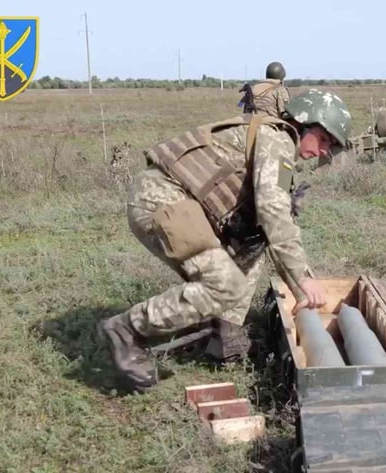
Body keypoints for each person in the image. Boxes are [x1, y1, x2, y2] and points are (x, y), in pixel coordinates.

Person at [99, 89, 352, 392]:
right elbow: (274, 213)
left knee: (254, 241)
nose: (324, 151)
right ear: (303, 122)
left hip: (177, 203)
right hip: (161, 202)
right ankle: (128, 329)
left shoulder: (275, 138)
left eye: (330, 146)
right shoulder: (278, 141)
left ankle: (225, 335)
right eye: (324, 140)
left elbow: (267, 224)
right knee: (225, 285)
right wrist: (302, 278)